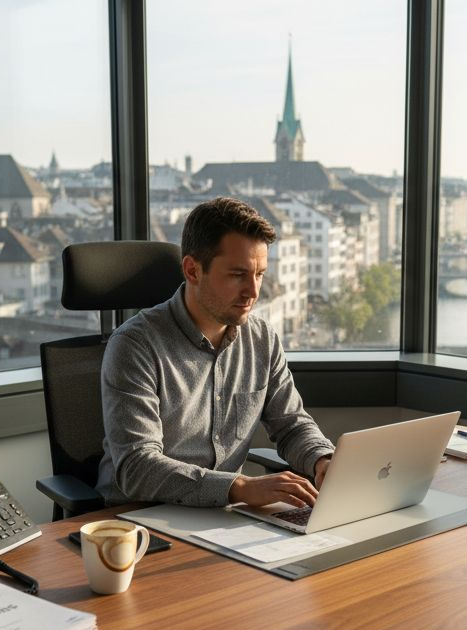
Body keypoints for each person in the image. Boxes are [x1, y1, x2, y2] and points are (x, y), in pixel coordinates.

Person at [95, 197, 334, 509]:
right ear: (193, 271)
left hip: (223, 516)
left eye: (259, 273)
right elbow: (137, 466)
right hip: (140, 518)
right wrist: (238, 486)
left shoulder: (262, 339)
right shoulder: (135, 345)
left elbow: (291, 425)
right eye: (238, 275)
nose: (254, 291)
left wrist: (322, 460)